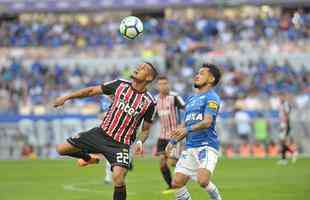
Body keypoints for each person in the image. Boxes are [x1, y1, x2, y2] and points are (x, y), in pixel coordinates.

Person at [53, 62, 158, 200]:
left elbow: (145, 130)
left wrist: (139, 142)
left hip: (120, 144)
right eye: (139, 66)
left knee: (118, 177)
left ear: (149, 78)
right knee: (61, 149)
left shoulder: (150, 102)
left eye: (143, 68)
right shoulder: (120, 84)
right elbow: (91, 91)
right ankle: (89, 159)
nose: (138, 68)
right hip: (100, 134)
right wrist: (67, 97)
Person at [166, 63, 223, 200]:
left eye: (202, 73)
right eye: (197, 73)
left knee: (202, 181)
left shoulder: (212, 97)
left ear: (211, 79)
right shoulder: (190, 99)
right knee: (176, 183)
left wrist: (187, 129)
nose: (197, 75)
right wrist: (173, 141)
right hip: (190, 147)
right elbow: (185, 124)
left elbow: (207, 122)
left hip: (207, 146)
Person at [155, 76, 185, 192]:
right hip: (162, 136)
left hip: (175, 135)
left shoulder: (175, 97)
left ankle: (189, 168)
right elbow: (153, 117)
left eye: (165, 83)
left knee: (172, 162)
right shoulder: (156, 100)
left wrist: (182, 125)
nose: (164, 86)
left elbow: (186, 110)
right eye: (161, 84)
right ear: (157, 86)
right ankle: (171, 187)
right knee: (162, 163)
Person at [277, 92, 297, 164]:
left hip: (285, 125)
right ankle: (289, 154)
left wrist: (285, 125)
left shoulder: (285, 104)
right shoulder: (282, 105)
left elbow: (286, 115)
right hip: (282, 124)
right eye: (279, 97)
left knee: (282, 141)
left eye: (281, 97)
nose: (279, 99)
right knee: (282, 142)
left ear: (284, 97)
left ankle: (286, 157)